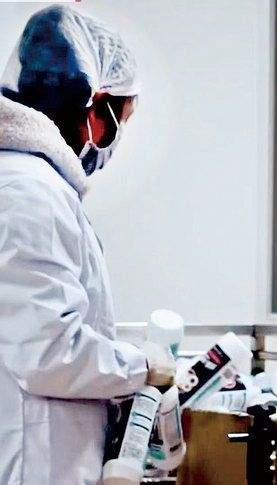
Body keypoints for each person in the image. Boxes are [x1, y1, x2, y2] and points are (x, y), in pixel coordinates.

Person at [0, 6, 172, 484]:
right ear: (93, 107)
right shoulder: (28, 192)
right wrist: (141, 366)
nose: (113, 142)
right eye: (120, 119)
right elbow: (47, 352)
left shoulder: (30, 185)